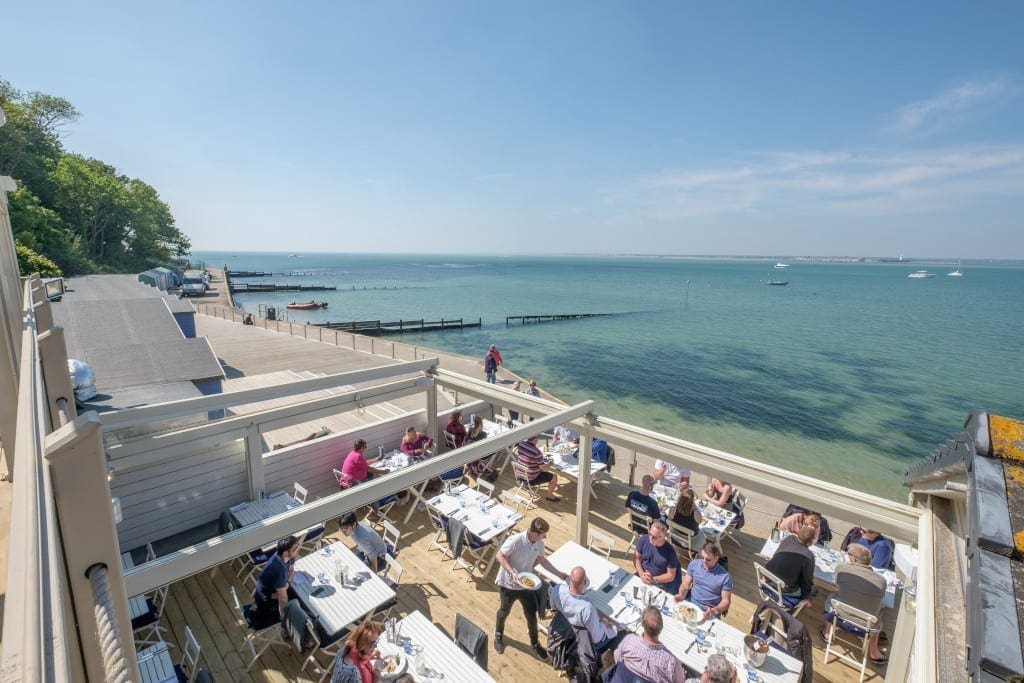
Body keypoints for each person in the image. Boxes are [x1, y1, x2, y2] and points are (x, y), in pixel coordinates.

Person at [494, 517, 568, 659]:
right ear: (535, 533)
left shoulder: (539, 543)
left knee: (531, 616)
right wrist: (511, 572)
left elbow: (542, 560)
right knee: (504, 611)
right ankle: (498, 634)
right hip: (508, 585)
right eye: (543, 534)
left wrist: (559, 574)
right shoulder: (516, 540)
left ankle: (535, 644)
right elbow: (500, 555)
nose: (545, 536)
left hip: (526, 584)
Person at [822, 543, 888, 663]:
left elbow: (836, 583)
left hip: (840, 616)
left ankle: (827, 632)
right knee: (879, 614)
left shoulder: (842, 569)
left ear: (854, 558)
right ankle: (873, 651)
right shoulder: (881, 581)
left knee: (832, 597)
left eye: (849, 555)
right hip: (866, 625)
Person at [551, 566, 624, 654]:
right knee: (623, 631)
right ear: (584, 583)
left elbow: (554, 609)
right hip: (583, 642)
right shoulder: (587, 608)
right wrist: (614, 627)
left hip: (563, 631)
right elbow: (596, 638)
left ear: (569, 579)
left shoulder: (557, 590)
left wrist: (601, 617)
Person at [613, 606, 686, 683]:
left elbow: (617, 658)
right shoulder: (671, 662)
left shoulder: (629, 640)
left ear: (641, 624)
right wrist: (682, 675)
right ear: (661, 627)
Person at [249, 535, 300, 628]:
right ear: (285, 553)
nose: (298, 549)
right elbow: (283, 600)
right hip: (266, 604)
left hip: (275, 592)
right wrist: (284, 621)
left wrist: (287, 583)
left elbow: (292, 570)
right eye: (295, 548)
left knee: (298, 594)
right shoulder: (279, 568)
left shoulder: (288, 556)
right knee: (300, 603)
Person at [675, 542, 733, 621]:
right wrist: (681, 594)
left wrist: (714, 610)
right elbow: (685, 585)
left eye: (708, 559)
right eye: (702, 557)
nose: (704, 561)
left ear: (716, 558)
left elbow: (726, 602)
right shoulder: (694, 564)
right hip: (691, 601)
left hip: (710, 609)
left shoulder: (725, 576)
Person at [764, 524, 817, 606]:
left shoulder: (789, 538)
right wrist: (806, 597)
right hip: (785, 590)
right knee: (813, 589)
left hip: (768, 580)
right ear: (810, 542)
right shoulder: (808, 556)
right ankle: (802, 602)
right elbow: (807, 581)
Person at [634, 520, 681, 594]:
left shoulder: (670, 552)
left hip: (658, 582)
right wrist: (641, 574)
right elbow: (637, 558)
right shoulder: (644, 539)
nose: (650, 538)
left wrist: (653, 579)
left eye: (654, 537)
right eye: (650, 534)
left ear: (663, 537)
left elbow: (670, 576)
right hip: (641, 574)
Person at [515, 435, 561, 502]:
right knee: (554, 477)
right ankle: (550, 496)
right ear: (536, 439)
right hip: (531, 478)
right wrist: (551, 463)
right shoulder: (537, 452)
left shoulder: (521, 444)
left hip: (519, 474)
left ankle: (526, 484)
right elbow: (544, 468)